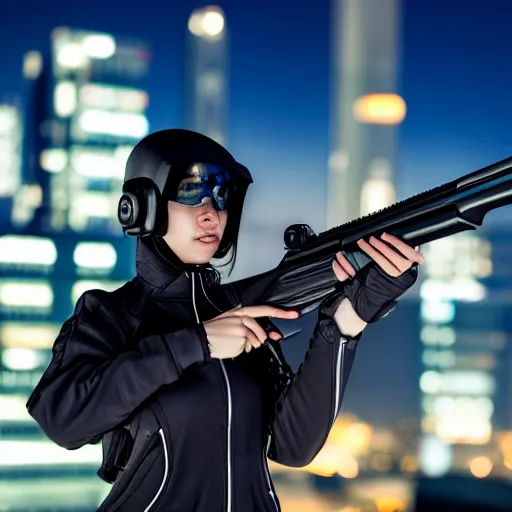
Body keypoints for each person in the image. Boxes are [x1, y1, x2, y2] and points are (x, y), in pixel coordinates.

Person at [26, 129, 424, 512]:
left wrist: (345, 323)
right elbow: (63, 419)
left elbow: (293, 446)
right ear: (142, 204)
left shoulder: (243, 310)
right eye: (190, 192)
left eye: (221, 197)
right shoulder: (111, 314)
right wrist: (198, 343)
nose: (211, 213)